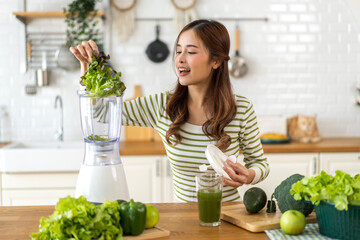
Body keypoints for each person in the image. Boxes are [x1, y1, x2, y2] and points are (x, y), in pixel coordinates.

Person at [70, 19, 269, 202]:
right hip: (181, 221)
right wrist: (88, 69)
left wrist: (249, 175)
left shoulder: (241, 109)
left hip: (227, 218)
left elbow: (260, 163)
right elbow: (102, 113)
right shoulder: (161, 105)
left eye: (190, 52)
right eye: (178, 51)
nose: (180, 59)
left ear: (216, 61)